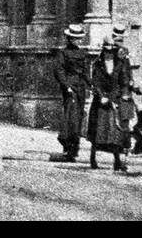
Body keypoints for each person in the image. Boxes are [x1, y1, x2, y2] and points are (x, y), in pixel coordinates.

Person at [88, 37, 131, 172]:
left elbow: (123, 82)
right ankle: (93, 157)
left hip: (114, 100)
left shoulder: (119, 65)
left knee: (116, 131)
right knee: (98, 130)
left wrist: (117, 96)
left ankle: (117, 161)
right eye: (106, 51)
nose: (109, 54)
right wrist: (101, 96)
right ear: (103, 51)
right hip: (101, 101)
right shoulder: (98, 64)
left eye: (111, 51)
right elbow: (96, 83)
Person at [51, 24, 89, 163]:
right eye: (74, 38)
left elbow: (85, 72)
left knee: (78, 118)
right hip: (70, 88)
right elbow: (59, 71)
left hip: (80, 88)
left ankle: (74, 149)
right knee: (70, 117)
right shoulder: (63, 53)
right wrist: (66, 86)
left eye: (79, 38)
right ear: (69, 38)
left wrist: (91, 84)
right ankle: (67, 147)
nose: (77, 41)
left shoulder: (82, 53)